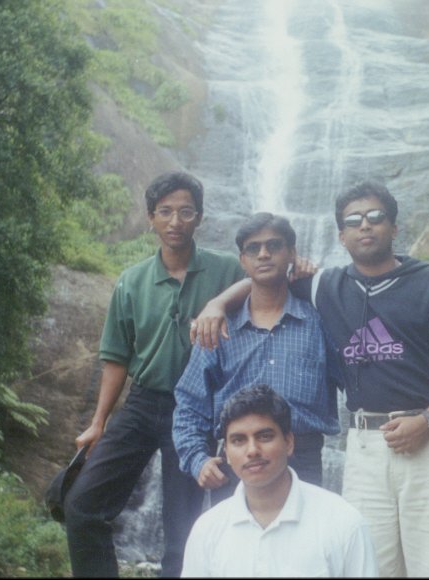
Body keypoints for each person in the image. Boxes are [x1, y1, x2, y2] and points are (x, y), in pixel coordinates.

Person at [192, 180, 429, 577]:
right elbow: (265, 275)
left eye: (375, 217)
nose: (365, 225)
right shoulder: (326, 287)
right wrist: (217, 303)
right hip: (365, 447)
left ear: (394, 227)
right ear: (341, 235)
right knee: (366, 565)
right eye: (353, 221)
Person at [63, 170, 246, 578]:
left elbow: (264, 280)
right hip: (143, 403)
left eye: (185, 211)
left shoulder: (226, 271)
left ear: (199, 217)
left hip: (197, 410)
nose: (175, 221)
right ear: (151, 218)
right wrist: (98, 422)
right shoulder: (132, 281)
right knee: (81, 505)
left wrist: (220, 303)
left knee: (182, 532)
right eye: (165, 211)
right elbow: (116, 358)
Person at [173, 212, 339, 505]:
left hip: (303, 458)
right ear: (243, 260)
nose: (263, 254)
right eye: (253, 248)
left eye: (274, 245)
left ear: (292, 254)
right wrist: (197, 459)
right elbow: (189, 403)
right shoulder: (218, 328)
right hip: (237, 459)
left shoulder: (320, 322)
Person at [181, 384, 378, 578]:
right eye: (239, 440)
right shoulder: (208, 529)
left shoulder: (342, 523)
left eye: (264, 437)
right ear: (227, 453)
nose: (252, 451)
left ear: (289, 442)